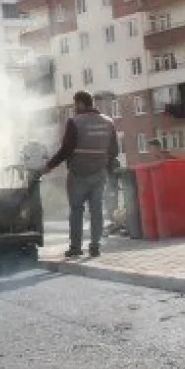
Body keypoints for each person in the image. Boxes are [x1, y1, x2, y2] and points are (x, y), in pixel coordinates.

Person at [40, 90, 119, 258]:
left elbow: (66, 150)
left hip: (78, 174)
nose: (74, 108)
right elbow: (114, 151)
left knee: (76, 210)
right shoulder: (109, 122)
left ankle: (76, 247)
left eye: (75, 104)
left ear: (81, 103)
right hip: (99, 174)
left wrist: (49, 166)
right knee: (97, 209)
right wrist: (102, 163)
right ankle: (95, 246)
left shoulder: (75, 122)